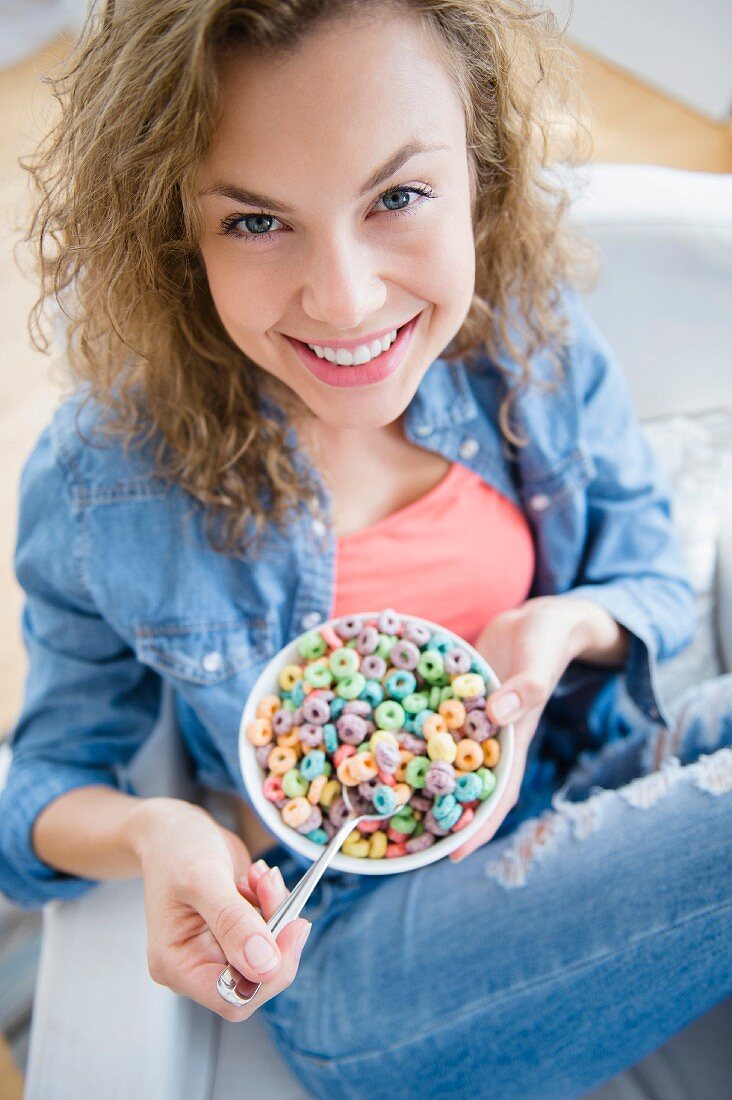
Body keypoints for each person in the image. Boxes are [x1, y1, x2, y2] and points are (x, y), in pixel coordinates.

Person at [2, 1, 730, 1096]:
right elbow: (39, 790)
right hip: (353, 950)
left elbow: (657, 578)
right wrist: (159, 832)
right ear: (174, 232)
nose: (345, 299)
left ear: (477, 169)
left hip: (596, 777)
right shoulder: (102, 482)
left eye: (397, 196)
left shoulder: (538, 342)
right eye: (255, 221)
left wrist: (569, 625)